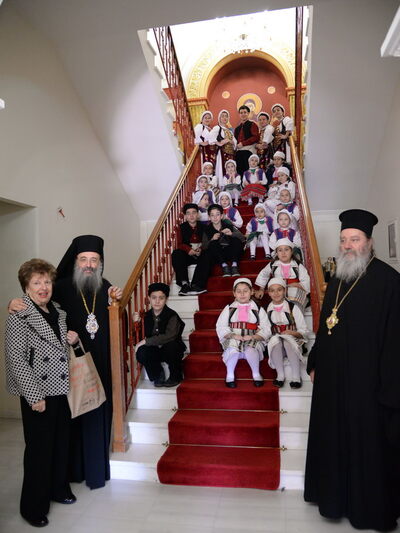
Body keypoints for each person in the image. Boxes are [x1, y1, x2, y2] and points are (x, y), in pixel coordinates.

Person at [304, 209, 400, 532]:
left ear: (369, 242)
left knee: (365, 445)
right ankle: (334, 500)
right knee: (334, 438)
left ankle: (365, 509)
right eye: (344, 240)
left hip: (367, 384)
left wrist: (389, 388)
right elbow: (326, 323)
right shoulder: (339, 277)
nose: (347, 246)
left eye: (354, 239)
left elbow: (395, 339)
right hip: (333, 379)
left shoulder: (389, 282)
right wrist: (316, 359)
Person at [9, 235, 123, 490]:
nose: (89, 265)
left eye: (94, 260)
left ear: (100, 263)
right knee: (62, 430)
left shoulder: (105, 286)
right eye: (83, 259)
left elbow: (115, 318)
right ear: (75, 261)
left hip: (98, 364)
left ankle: (93, 472)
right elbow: (34, 307)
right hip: (65, 368)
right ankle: (67, 477)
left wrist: (118, 301)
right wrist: (12, 302)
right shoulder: (58, 287)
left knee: (91, 416)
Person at [5, 259, 79, 527]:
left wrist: (75, 341)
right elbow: (16, 359)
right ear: (26, 287)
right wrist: (33, 396)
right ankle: (32, 507)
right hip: (38, 393)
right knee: (39, 451)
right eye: (36, 282)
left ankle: (58, 489)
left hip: (61, 389)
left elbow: (61, 351)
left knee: (60, 444)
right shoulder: (19, 315)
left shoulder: (58, 311)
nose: (43, 287)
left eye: (47, 281)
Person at [216, 277, 270, 388]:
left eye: (245, 291)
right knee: (233, 349)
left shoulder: (258, 309)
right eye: (239, 291)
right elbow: (221, 325)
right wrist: (232, 335)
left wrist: (254, 336)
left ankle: (256, 374)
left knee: (251, 349)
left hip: (252, 337)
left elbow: (266, 327)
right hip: (234, 337)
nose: (242, 294)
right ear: (234, 293)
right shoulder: (229, 308)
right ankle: (230, 375)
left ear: (252, 292)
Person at [135, 283, 186, 388]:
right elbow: (138, 339)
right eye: (154, 298)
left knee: (173, 346)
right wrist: (137, 323)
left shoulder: (172, 315)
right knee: (142, 351)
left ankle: (175, 376)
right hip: (154, 352)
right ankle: (157, 375)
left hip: (169, 351)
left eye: (161, 298)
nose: (157, 301)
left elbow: (170, 335)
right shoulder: (146, 316)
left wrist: (146, 341)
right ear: (149, 299)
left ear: (166, 299)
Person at [265, 277, 308, 389]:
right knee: (275, 342)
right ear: (269, 293)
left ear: (284, 290)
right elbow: (266, 329)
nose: (276, 293)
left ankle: (296, 377)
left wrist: (292, 333)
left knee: (288, 342)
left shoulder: (293, 307)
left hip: (293, 341)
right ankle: (280, 375)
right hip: (278, 344)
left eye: (279, 290)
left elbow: (303, 330)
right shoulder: (267, 310)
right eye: (272, 290)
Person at [254, 238, 310, 312]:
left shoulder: (298, 265)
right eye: (280, 250)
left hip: (294, 290)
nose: (283, 253)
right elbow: (264, 274)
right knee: (278, 304)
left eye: (286, 250)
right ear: (276, 253)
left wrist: (296, 284)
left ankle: (295, 314)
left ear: (291, 252)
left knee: (295, 307)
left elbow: (306, 280)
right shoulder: (273, 265)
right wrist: (261, 289)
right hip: (279, 291)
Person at [171, 203, 211, 296]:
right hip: (188, 255)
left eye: (194, 212)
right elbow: (179, 244)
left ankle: (197, 284)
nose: (191, 215)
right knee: (176, 253)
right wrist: (188, 250)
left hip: (200, 255)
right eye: (188, 213)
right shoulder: (181, 228)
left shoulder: (204, 227)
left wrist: (201, 249)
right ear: (185, 216)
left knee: (208, 254)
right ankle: (184, 283)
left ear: (197, 214)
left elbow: (207, 242)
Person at [202, 204, 245, 277]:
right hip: (218, 255)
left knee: (236, 240)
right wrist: (212, 239)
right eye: (212, 215)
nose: (215, 217)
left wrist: (231, 233)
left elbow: (242, 238)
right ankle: (225, 266)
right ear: (209, 217)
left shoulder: (228, 225)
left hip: (230, 252)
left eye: (217, 214)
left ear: (221, 216)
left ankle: (234, 265)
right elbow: (204, 246)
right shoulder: (207, 229)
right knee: (212, 244)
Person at [210, 109, 237, 183]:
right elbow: (211, 138)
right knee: (222, 169)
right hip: (222, 153)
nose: (225, 118)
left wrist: (231, 142)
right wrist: (219, 143)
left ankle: (231, 184)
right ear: (219, 118)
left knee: (231, 170)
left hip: (231, 154)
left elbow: (235, 142)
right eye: (223, 116)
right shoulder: (217, 128)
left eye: (226, 116)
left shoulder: (230, 131)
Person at [234, 105, 259, 177]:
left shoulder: (252, 124)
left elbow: (256, 137)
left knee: (248, 171)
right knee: (239, 171)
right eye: (241, 113)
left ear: (248, 113)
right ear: (239, 114)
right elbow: (235, 140)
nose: (243, 114)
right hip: (239, 152)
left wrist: (243, 143)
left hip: (248, 150)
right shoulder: (237, 128)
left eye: (245, 112)